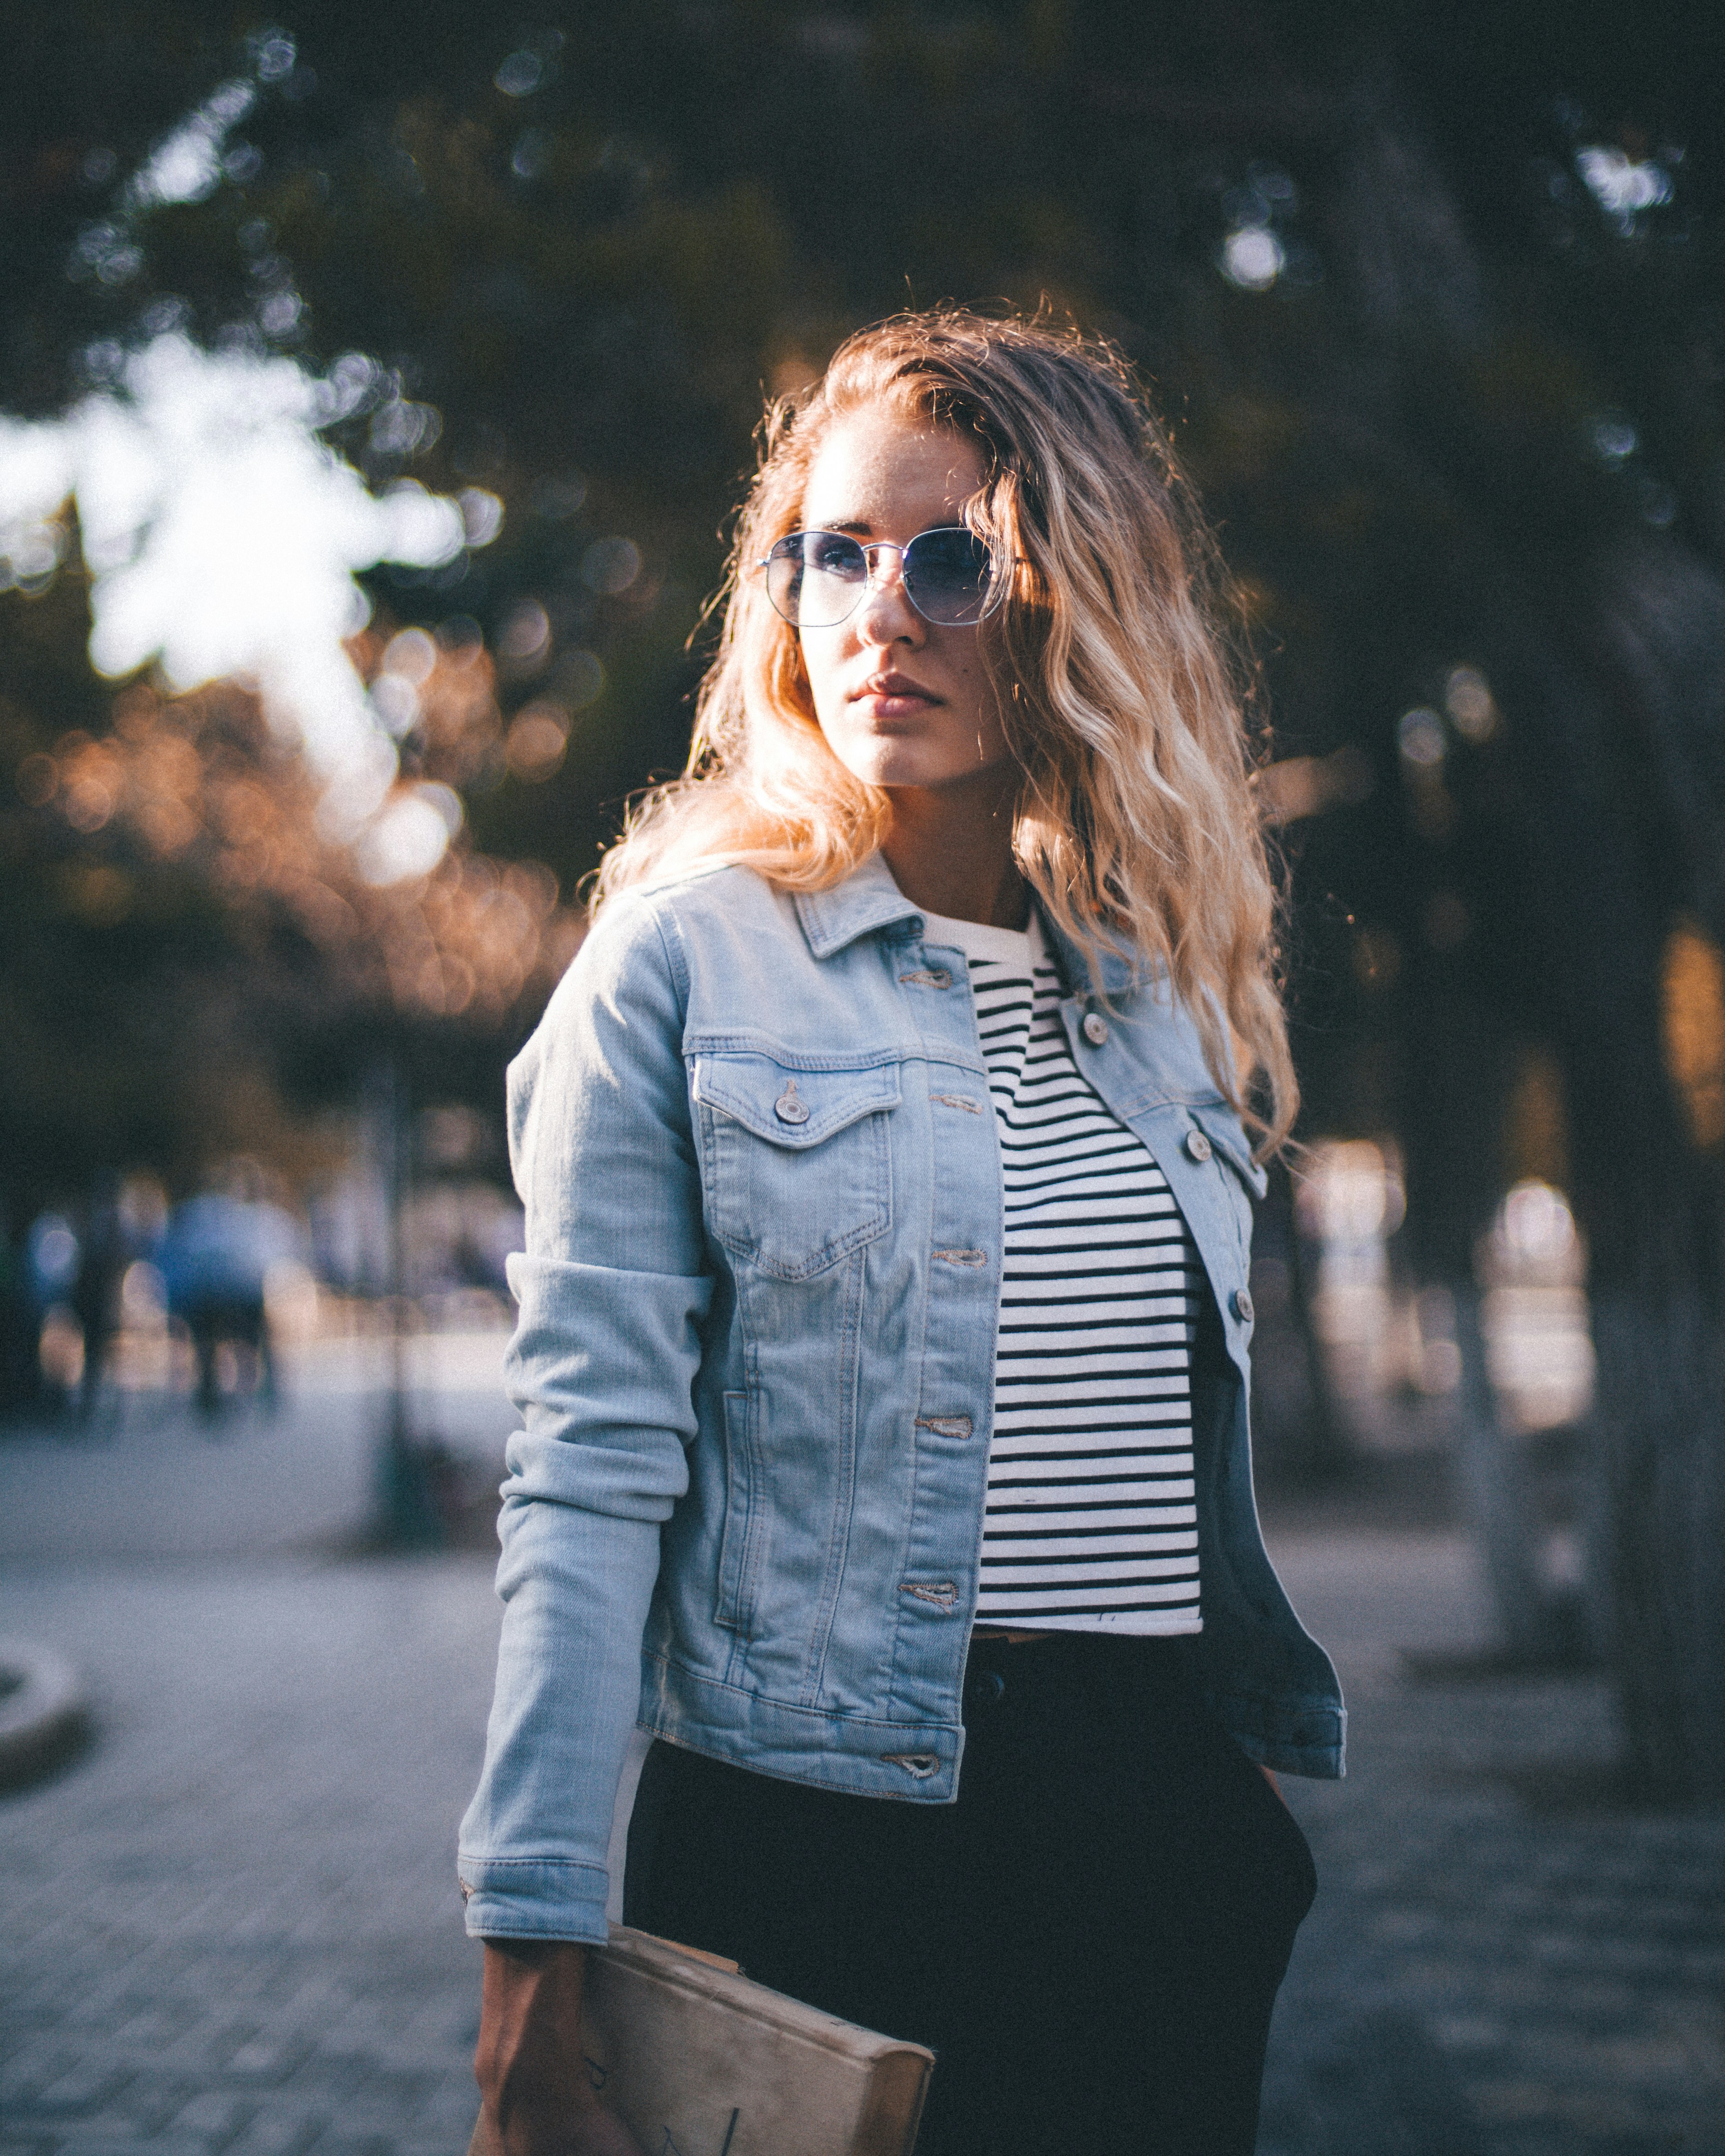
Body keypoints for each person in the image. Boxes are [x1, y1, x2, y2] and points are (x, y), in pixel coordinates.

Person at [459, 310, 1344, 2156]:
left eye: (955, 560)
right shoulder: (684, 965)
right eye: (836, 554)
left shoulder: (1155, 985)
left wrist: (1230, 1811)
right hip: (814, 1849)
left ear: (1071, 602)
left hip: (1151, 1843)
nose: (883, 610)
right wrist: (531, 1937)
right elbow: (586, 1465)